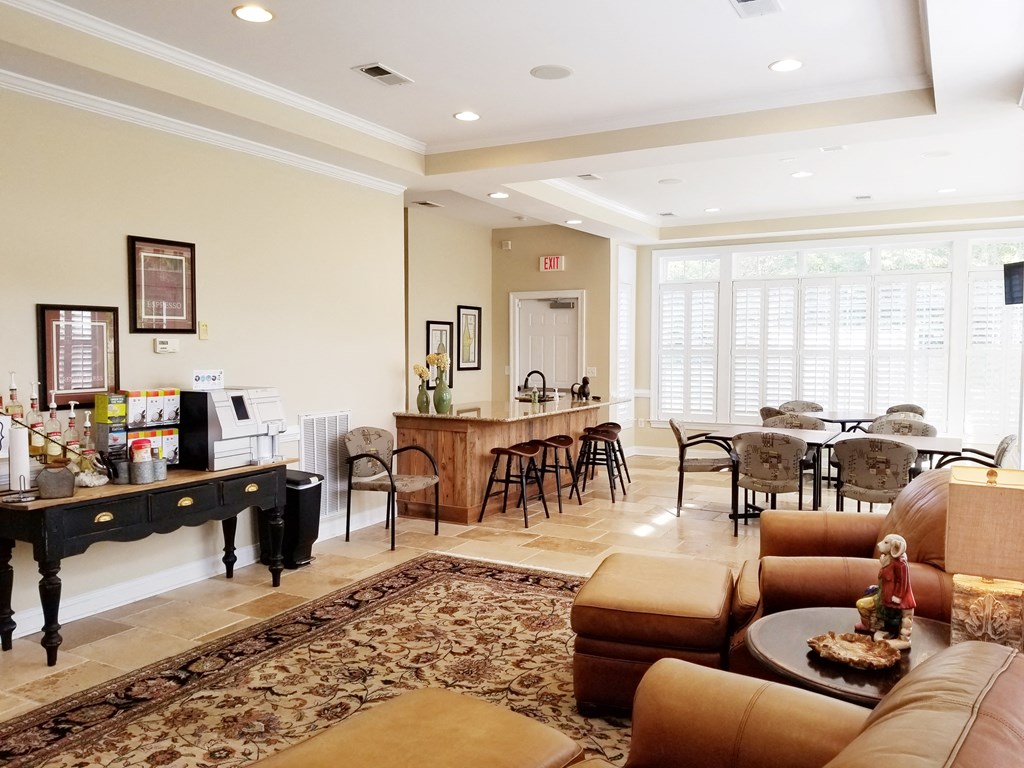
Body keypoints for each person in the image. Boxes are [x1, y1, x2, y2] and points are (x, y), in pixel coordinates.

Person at [855, 533, 915, 648]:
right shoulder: (889, 560)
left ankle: (894, 635)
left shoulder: (901, 564)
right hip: (884, 595)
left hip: (893, 599)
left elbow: (902, 582)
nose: (880, 544)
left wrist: (897, 596)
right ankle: (868, 625)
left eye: (886, 543)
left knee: (892, 618)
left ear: (895, 547)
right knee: (865, 604)